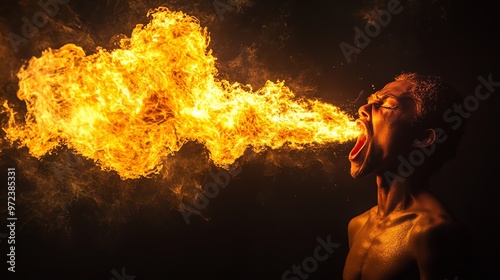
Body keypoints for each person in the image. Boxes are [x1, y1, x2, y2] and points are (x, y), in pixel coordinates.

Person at [343, 72, 473, 279]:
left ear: (422, 137)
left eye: (387, 105)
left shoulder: (432, 231)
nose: (364, 109)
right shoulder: (357, 225)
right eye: (371, 101)